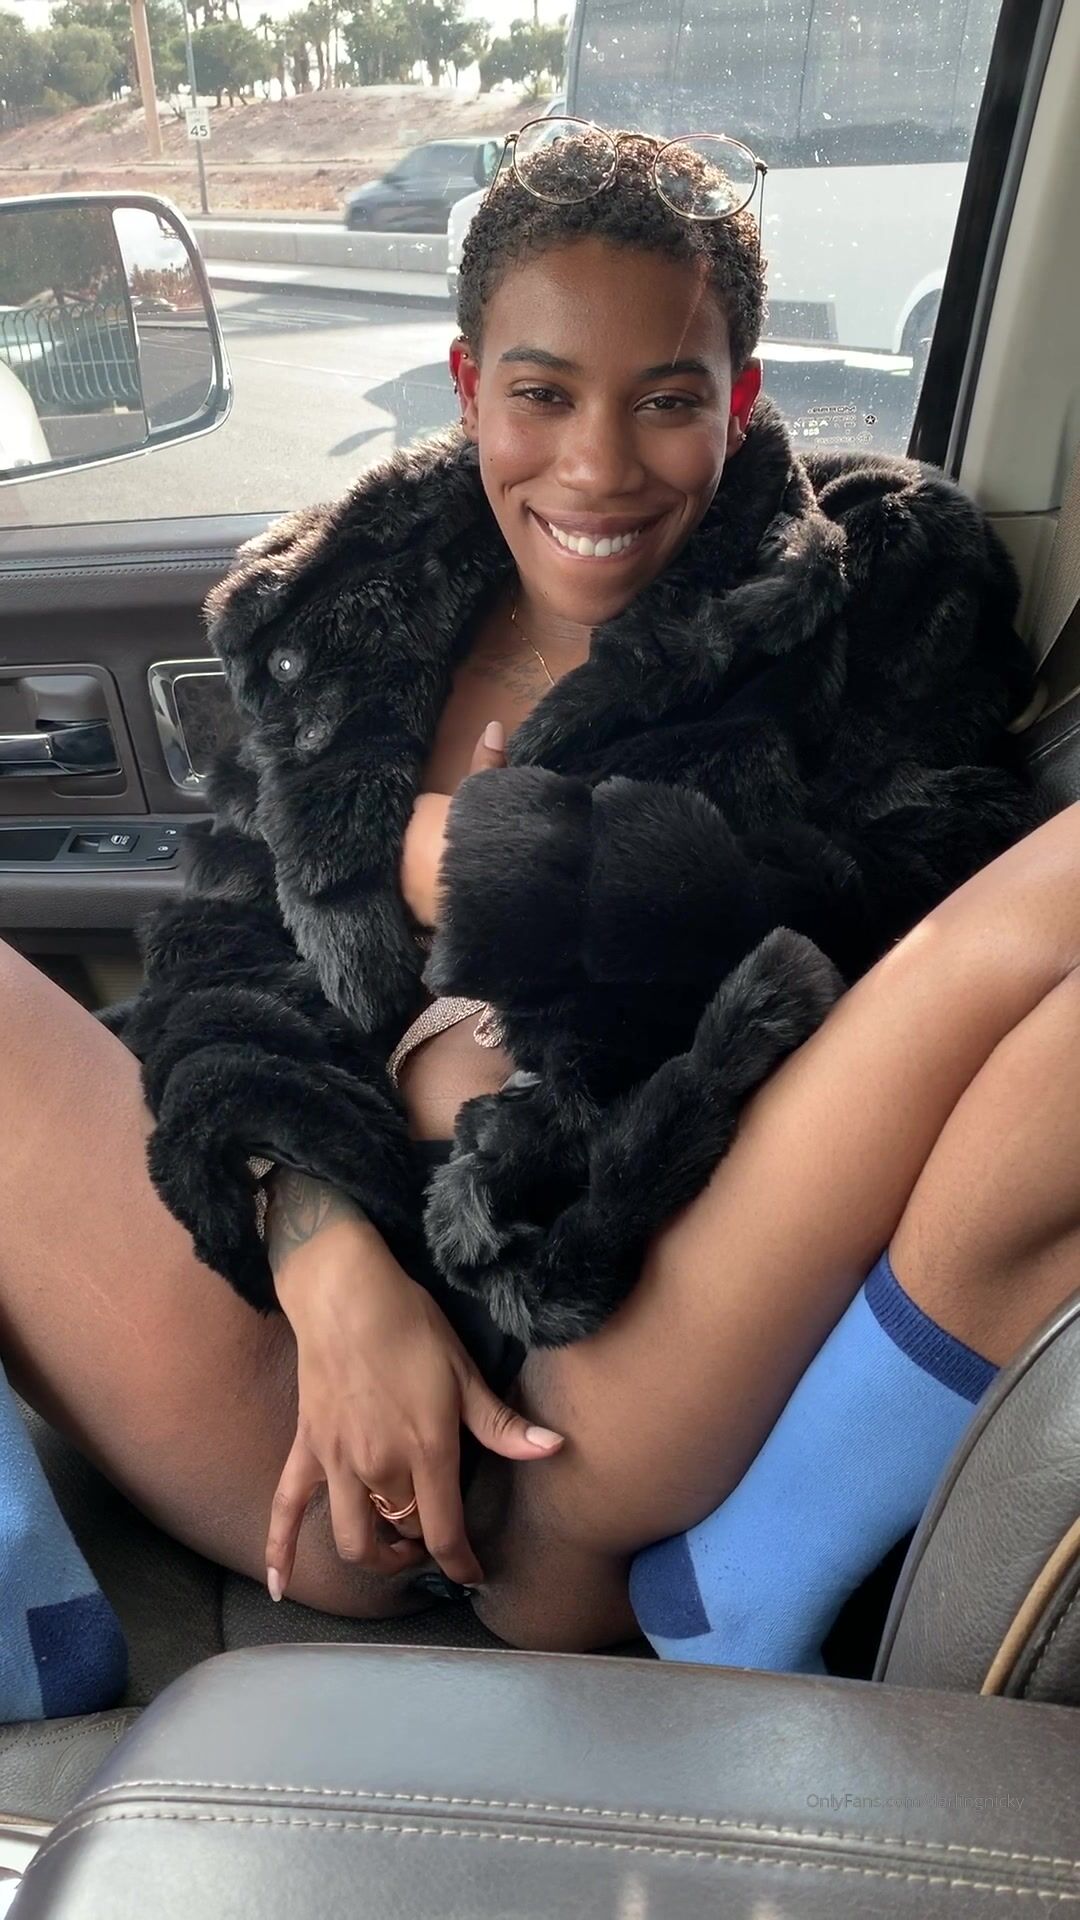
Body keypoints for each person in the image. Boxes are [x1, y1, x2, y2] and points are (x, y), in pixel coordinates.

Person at [0, 126, 1042, 1661]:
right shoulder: (339, 610)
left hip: (622, 1317)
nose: (599, 466)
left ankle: (712, 1577)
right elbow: (221, 964)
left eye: (668, 400)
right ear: (468, 384)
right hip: (330, 1390)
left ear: (740, 395)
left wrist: (491, 866)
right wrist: (317, 1247)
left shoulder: (870, 580)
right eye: (542, 394)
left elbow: (892, 913)